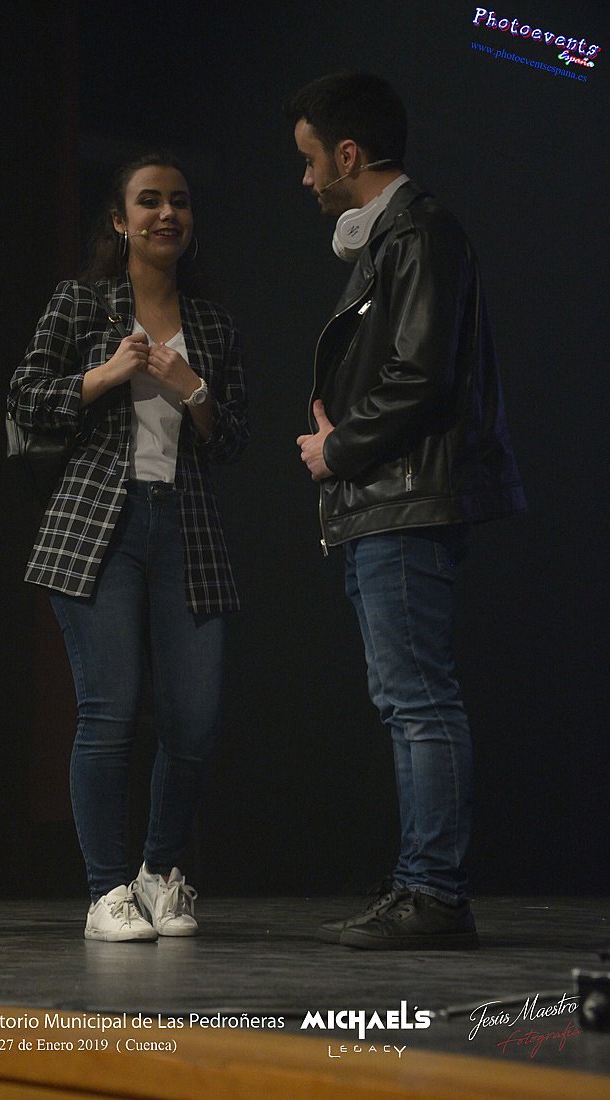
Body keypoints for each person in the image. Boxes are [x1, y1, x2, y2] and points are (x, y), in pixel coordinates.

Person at [288, 72, 526, 950]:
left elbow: (419, 375)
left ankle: (433, 893)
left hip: (402, 500)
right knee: (405, 701)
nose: (305, 179)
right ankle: (420, 885)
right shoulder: (393, 239)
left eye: (310, 159)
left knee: (417, 700)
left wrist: (339, 449)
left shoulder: (419, 232)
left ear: (348, 154)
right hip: (381, 501)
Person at [8, 153, 247, 942]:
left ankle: (158, 872)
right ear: (119, 220)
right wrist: (106, 374)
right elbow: (25, 396)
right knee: (108, 713)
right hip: (97, 525)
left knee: (195, 723)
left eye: (179, 201)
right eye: (149, 201)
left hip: (187, 529)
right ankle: (104, 891)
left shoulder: (211, 323)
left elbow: (233, 438)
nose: (166, 214)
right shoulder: (81, 302)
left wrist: (193, 389)